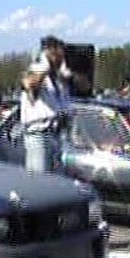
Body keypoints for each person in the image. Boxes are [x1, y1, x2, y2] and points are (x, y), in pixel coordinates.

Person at [19, 35, 89, 173]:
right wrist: (45, 67)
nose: (61, 56)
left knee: (58, 178)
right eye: (57, 52)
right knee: (40, 179)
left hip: (60, 133)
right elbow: (29, 84)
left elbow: (85, 87)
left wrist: (71, 73)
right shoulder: (35, 71)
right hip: (40, 133)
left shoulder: (60, 77)